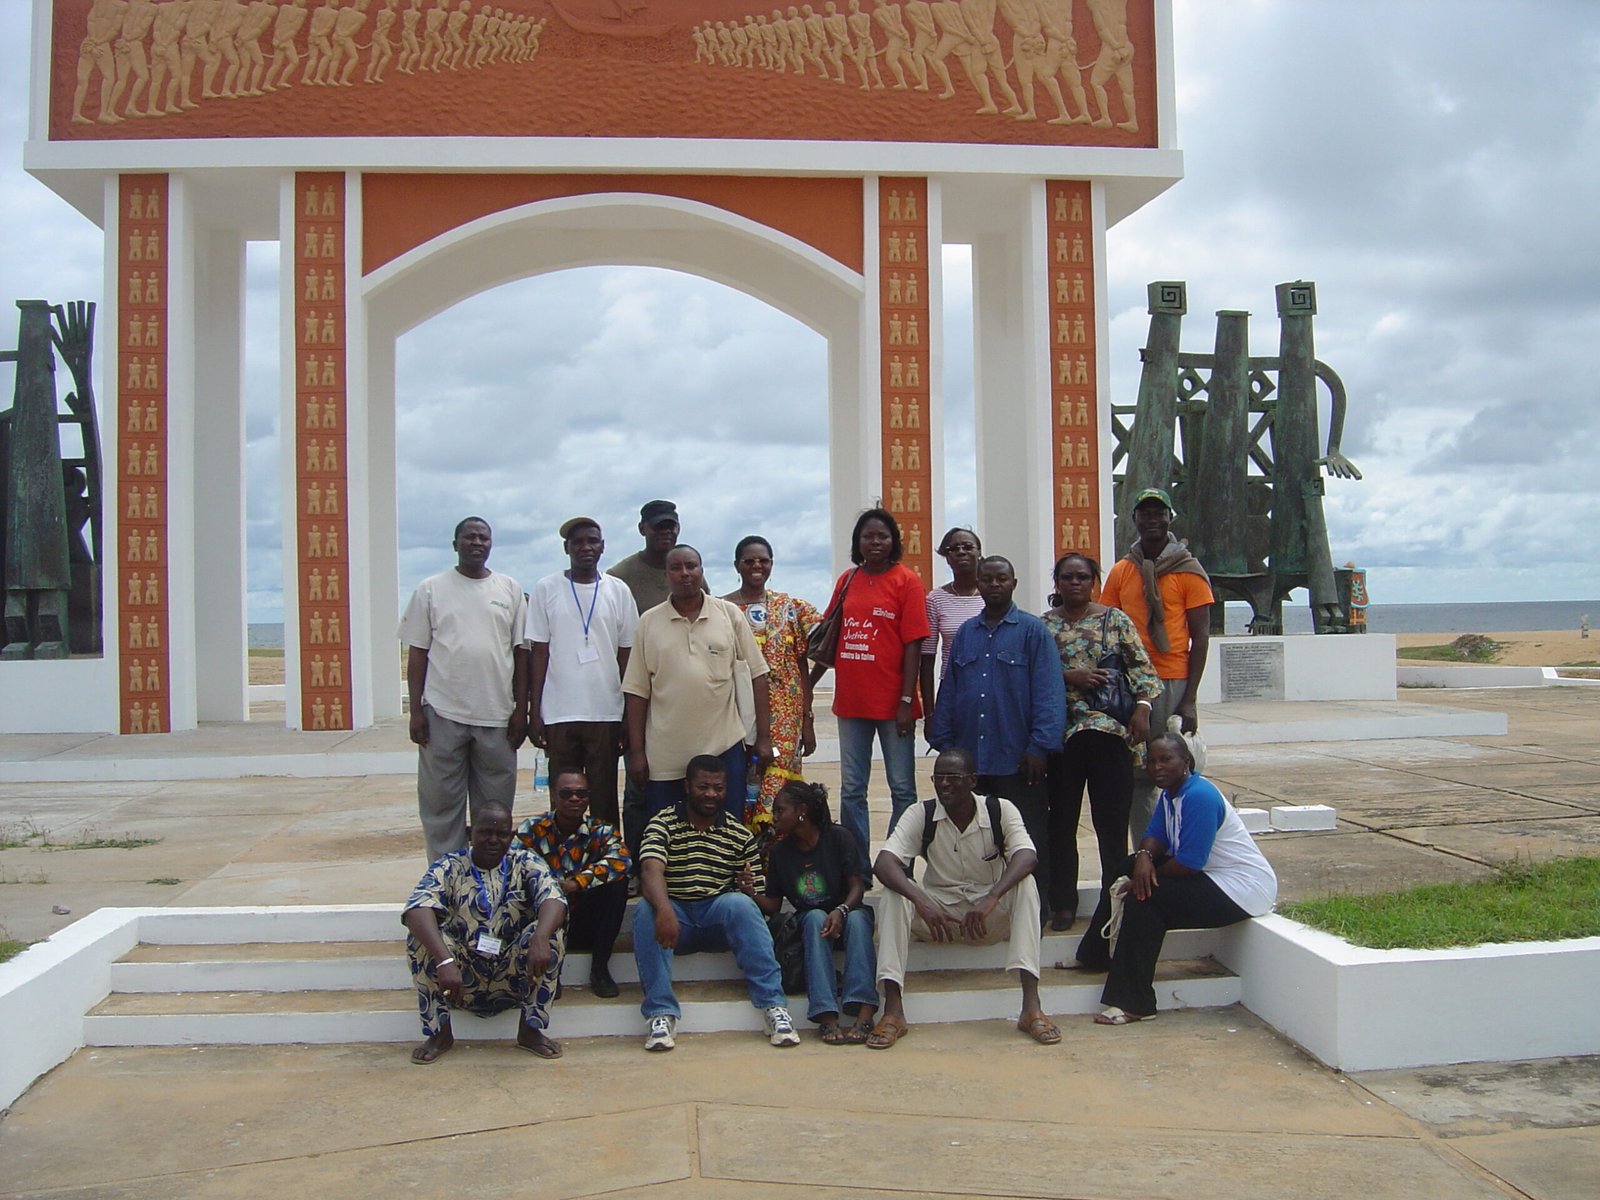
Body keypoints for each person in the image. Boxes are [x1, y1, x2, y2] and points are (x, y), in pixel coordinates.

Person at [1068, 733, 1277, 1024]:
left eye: (1166, 759)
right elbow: (1154, 836)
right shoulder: (1171, 794)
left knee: (1146, 897)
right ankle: (1095, 954)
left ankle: (1135, 1003)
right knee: (1126, 866)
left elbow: (1190, 863)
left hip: (1242, 889)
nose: (1156, 767)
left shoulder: (1199, 796)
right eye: (1151, 761)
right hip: (1212, 876)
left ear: (1186, 762)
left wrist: (1142, 878)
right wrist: (1143, 858)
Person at [868, 748, 1058, 1048]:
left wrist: (992, 897)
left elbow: (1027, 856)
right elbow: (883, 863)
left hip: (986, 918)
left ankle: (1031, 1008)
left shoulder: (1000, 810)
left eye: (953, 777)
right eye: (938, 777)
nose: (944, 784)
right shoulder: (921, 813)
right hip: (938, 918)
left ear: (972, 780)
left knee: (1026, 884)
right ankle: (893, 1011)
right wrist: (921, 901)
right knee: (894, 893)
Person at [926, 555, 1066, 922]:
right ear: (978, 585)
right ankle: (986, 912)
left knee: (1027, 838)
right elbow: (950, 689)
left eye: (1001, 579)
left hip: (1018, 760)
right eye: (986, 579)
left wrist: (1039, 747)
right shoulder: (966, 634)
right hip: (973, 761)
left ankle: (1034, 913)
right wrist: (945, 743)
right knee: (981, 843)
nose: (993, 585)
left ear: (1013, 583)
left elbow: (1049, 693)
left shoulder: (1033, 632)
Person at [632, 755, 802, 1051]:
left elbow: (759, 900)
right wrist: (665, 910)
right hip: (674, 922)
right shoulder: (663, 823)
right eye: (703, 787)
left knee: (740, 904)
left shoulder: (739, 835)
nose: (711, 794)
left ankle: (774, 1006)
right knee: (646, 910)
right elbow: (650, 870)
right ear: (687, 786)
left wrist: (748, 891)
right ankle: (660, 1013)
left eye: (718, 788)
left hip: (716, 919)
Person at [1042, 552, 1160, 931]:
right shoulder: (1043, 627)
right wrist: (1069, 676)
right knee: (1061, 824)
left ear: (1094, 581)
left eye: (1082, 576)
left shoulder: (1115, 620)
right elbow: (1031, 676)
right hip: (1062, 737)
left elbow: (1141, 669)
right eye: (1067, 577)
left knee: (1111, 826)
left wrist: (1142, 709)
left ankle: (1114, 901)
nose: (1075, 583)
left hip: (1110, 735)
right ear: (1057, 583)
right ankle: (1062, 903)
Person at [400, 517, 528, 863]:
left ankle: (490, 879)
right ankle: (446, 877)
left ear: (491, 544)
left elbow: (521, 653)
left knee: (495, 812)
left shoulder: (510, 589)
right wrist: (416, 712)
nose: (477, 543)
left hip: (497, 716)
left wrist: (522, 711)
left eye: (483, 537)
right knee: (441, 807)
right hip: (443, 713)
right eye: (469, 537)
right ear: (455, 544)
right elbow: (417, 654)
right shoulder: (430, 589)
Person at [401, 802, 567, 1063]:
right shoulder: (450, 866)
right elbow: (416, 909)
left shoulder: (525, 861)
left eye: (501, 834)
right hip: (459, 981)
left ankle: (530, 1030)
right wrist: (444, 960)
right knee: (420, 939)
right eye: (485, 833)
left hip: (514, 977)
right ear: (470, 833)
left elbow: (554, 899)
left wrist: (541, 937)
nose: (493, 840)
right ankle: (440, 1034)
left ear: (511, 836)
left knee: (549, 934)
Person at [624, 545, 773, 820]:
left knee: (727, 832)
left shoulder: (729, 615)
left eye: (691, 566)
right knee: (666, 832)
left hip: (723, 750)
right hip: (666, 757)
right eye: (676, 568)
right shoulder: (648, 622)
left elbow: (758, 676)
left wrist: (763, 737)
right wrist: (636, 752)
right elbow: (636, 692)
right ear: (666, 574)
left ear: (702, 570)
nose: (685, 573)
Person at [1100, 488, 1213, 844]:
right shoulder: (1122, 570)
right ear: (1134, 519)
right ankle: (1146, 850)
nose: (1152, 520)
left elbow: (1200, 637)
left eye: (1159, 513)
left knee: (1174, 769)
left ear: (1169, 518)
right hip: (1131, 683)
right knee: (1137, 775)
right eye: (1145, 514)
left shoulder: (1189, 571)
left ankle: (1182, 845)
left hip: (1172, 679)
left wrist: (1190, 698)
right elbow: (1107, 626)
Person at [817, 508, 931, 860]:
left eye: (883, 536)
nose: (875, 542)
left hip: (894, 704)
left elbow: (914, 644)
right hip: (852, 702)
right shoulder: (847, 580)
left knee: (902, 788)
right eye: (868, 536)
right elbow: (829, 634)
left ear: (894, 541)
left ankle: (898, 861)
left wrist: (906, 701)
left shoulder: (907, 581)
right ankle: (857, 866)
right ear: (858, 542)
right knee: (852, 789)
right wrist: (807, 684)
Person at [527, 517, 637, 829]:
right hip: (559, 712)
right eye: (578, 542)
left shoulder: (618, 590)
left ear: (603, 547)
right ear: (567, 548)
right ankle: (563, 855)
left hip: (605, 712)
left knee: (603, 798)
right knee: (563, 797)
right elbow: (539, 653)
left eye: (593, 541)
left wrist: (628, 715)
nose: (586, 547)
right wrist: (535, 712)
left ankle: (606, 857)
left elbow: (627, 655)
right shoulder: (546, 588)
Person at [609, 500, 704, 858]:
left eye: (670, 527)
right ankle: (636, 864)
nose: (665, 533)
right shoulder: (620, 577)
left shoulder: (692, 572)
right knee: (639, 788)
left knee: (687, 787)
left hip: (682, 706)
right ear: (642, 530)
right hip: (638, 700)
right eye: (657, 527)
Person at [751, 781, 878, 1043]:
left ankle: (864, 1010)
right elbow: (774, 905)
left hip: (846, 914)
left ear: (802, 811)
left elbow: (857, 887)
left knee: (857, 919)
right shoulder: (780, 852)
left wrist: (841, 910)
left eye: (780, 810)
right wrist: (749, 892)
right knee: (814, 917)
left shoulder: (838, 838)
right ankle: (825, 1014)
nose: (774, 818)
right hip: (812, 928)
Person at [722, 536, 821, 815]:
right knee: (740, 782)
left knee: (778, 791)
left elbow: (807, 660)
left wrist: (807, 718)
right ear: (737, 565)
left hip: (785, 719)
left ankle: (773, 841)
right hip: (737, 711)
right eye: (749, 561)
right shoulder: (722, 609)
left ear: (771, 564)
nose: (757, 566)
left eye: (763, 560)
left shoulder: (790, 608)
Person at [515, 769, 631, 999]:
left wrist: (576, 883)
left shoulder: (602, 831)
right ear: (553, 795)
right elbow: (514, 865)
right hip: (544, 922)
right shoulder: (532, 829)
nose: (574, 799)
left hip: (584, 921)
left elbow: (621, 861)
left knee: (618, 885)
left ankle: (600, 969)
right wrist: (551, 888)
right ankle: (549, 971)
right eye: (566, 793)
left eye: (581, 793)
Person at [918, 526, 984, 736]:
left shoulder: (992, 593)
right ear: (947, 558)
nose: (961, 552)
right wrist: (930, 713)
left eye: (967, 547)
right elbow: (927, 658)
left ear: (979, 553)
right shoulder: (935, 599)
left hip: (992, 688)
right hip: (953, 690)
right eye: (953, 549)